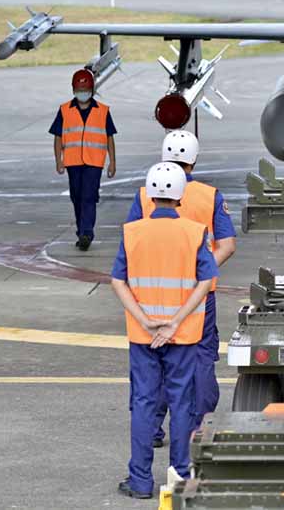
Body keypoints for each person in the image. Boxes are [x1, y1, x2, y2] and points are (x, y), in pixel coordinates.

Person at [111, 162, 218, 500]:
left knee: (143, 403)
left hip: (143, 336)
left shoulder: (132, 232)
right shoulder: (194, 232)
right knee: (182, 403)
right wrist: (175, 321)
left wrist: (145, 320)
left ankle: (140, 481)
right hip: (183, 334)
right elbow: (206, 281)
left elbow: (118, 280)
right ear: (180, 195)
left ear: (151, 194)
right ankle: (180, 478)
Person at [126, 130, 236, 446]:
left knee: (152, 362)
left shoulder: (144, 195)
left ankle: (153, 430)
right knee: (199, 360)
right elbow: (227, 246)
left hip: (150, 298)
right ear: (194, 159)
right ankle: (197, 426)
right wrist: (199, 274)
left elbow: (131, 244)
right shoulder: (210, 195)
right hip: (199, 298)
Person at [50, 69, 116, 251]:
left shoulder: (102, 111)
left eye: (85, 89)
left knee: (88, 197)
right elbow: (58, 137)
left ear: (92, 90)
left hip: (94, 162)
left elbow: (109, 137)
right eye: (80, 89)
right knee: (76, 197)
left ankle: (87, 233)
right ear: (73, 90)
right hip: (73, 162)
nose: (83, 93)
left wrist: (113, 162)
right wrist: (59, 160)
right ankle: (81, 231)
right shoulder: (65, 110)